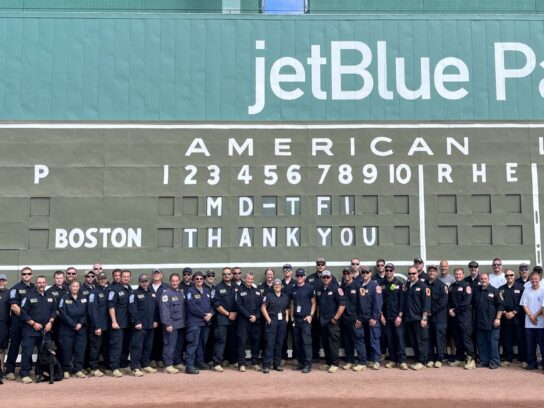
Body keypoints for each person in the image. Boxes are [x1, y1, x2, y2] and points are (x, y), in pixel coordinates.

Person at [19, 275, 56, 384]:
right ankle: (25, 374)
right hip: (30, 331)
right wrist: (33, 323)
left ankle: (41, 373)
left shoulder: (50, 296)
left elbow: (54, 311)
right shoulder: (29, 296)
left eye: (43, 282)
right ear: (36, 284)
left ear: (46, 283)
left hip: (45, 331)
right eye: (39, 282)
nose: (41, 284)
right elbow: (23, 313)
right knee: (27, 352)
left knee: (43, 354)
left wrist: (50, 322)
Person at [5, 267, 35, 380]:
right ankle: (10, 370)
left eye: (29, 273)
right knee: (14, 346)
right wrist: (27, 318)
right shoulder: (15, 289)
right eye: (24, 274)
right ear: (21, 275)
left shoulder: (34, 288)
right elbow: (14, 307)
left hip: (29, 324)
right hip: (18, 323)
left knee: (28, 346)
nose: (26, 275)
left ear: (32, 275)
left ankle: (28, 368)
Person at [307, 257, 337, 362]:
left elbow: (338, 300)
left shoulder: (332, 278)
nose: (320, 266)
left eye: (322, 264)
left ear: (325, 265)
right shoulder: (310, 278)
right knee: (315, 335)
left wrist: (336, 316)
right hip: (314, 313)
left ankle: (333, 362)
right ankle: (315, 356)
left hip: (329, 315)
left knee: (330, 338)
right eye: (318, 264)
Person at [128, 274, 159, 376]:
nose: (144, 283)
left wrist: (155, 320)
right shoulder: (135, 294)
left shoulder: (152, 293)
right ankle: (135, 367)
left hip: (150, 325)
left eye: (146, 281)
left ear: (148, 281)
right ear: (139, 282)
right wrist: (136, 322)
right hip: (139, 326)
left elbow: (155, 309)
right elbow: (132, 310)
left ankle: (145, 364)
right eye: (142, 281)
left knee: (148, 346)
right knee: (137, 347)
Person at [316, 270, 345, 373]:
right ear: (321, 278)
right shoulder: (319, 290)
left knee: (333, 343)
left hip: (332, 321)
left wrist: (335, 318)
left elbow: (342, 305)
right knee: (325, 343)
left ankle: (335, 364)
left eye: (327, 277)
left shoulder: (336, 289)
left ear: (331, 278)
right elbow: (318, 305)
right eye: (324, 277)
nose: (325, 279)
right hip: (323, 321)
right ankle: (328, 362)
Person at [58, 280, 88, 378]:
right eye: (73, 286)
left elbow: (86, 312)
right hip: (67, 329)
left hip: (81, 329)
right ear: (70, 287)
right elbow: (62, 314)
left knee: (80, 349)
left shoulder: (83, 297)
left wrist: (80, 323)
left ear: (79, 287)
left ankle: (78, 369)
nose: (75, 288)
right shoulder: (64, 298)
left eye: (77, 286)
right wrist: (74, 324)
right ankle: (66, 369)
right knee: (67, 350)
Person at [185, 271, 214, 374]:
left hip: (205, 323)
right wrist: (204, 315)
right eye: (197, 279)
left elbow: (211, 304)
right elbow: (192, 307)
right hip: (195, 323)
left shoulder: (206, 290)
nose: (199, 280)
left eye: (201, 279)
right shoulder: (190, 291)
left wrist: (211, 313)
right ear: (193, 280)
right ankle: (189, 366)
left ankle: (200, 363)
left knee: (202, 344)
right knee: (193, 344)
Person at [403, 266, 430, 370]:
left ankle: (422, 362)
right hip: (409, 319)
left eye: (413, 273)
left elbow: (426, 304)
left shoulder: (423, 286)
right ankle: (418, 360)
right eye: (409, 274)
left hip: (419, 319)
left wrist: (424, 319)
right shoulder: (408, 285)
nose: (411, 275)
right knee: (414, 341)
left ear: (418, 273)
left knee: (421, 341)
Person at [473, 272, 503, 369]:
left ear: (489, 279)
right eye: (482, 279)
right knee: (481, 343)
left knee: (493, 344)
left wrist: (498, 318)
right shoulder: (476, 291)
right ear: (479, 280)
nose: (483, 280)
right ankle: (484, 361)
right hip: (479, 323)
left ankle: (494, 361)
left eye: (485, 279)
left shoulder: (495, 291)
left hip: (492, 323)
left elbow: (500, 306)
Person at [448, 268, 476, 369]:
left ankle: (471, 360)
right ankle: (460, 358)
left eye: (460, 274)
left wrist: (454, 310)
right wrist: (449, 310)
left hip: (464, 317)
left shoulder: (466, 286)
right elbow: (448, 301)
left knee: (466, 338)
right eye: (456, 274)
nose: (458, 276)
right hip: (454, 318)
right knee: (457, 338)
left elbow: (466, 302)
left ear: (463, 275)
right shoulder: (452, 286)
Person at [211, 267, 238, 372]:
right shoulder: (217, 288)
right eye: (224, 274)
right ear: (222, 275)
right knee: (220, 341)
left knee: (233, 341)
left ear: (232, 275)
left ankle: (232, 360)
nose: (227, 275)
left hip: (234, 319)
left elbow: (239, 302)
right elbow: (216, 305)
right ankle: (216, 363)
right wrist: (228, 314)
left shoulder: (236, 287)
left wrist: (235, 313)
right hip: (222, 320)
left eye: (228, 274)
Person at [382, 263, 407, 370]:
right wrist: (381, 315)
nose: (388, 272)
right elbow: (380, 302)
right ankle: (393, 360)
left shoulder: (399, 284)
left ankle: (401, 361)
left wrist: (400, 316)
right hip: (387, 318)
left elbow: (403, 302)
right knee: (390, 339)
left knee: (400, 338)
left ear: (393, 271)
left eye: (390, 270)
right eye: (386, 270)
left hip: (398, 318)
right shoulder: (381, 285)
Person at [159, 273, 186, 374]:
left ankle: (177, 362)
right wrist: (168, 324)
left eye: (176, 281)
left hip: (180, 324)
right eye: (173, 281)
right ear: (170, 282)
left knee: (178, 345)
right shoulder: (166, 294)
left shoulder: (180, 293)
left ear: (179, 281)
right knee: (169, 345)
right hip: (171, 325)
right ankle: (168, 365)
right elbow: (165, 310)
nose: (175, 283)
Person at [340, 267, 366, 371]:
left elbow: (363, 305)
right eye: (344, 273)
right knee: (347, 342)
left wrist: (360, 319)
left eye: (348, 273)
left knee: (358, 341)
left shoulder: (359, 287)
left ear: (352, 274)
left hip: (355, 320)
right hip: (345, 319)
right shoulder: (342, 287)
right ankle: (350, 361)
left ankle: (362, 362)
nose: (346, 275)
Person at [235, 272, 262, 372]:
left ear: (253, 280)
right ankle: (241, 363)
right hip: (244, 321)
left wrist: (256, 316)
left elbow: (261, 306)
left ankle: (255, 363)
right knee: (241, 342)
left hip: (256, 321)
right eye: (248, 279)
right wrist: (248, 316)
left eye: (251, 279)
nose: (249, 280)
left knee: (256, 342)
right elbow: (238, 306)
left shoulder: (257, 291)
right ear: (244, 279)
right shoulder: (239, 290)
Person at [290, 268, 316, 373]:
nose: (299, 277)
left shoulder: (309, 288)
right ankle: (301, 363)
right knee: (297, 342)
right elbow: (292, 303)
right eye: (298, 276)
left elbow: (314, 303)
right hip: (296, 318)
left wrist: (311, 315)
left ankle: (307, 364)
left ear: (305, 276)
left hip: (305, 318)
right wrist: (292, 316)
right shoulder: (293, 288)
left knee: (306, 342)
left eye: (301, 276)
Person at [261, 278, 289, 373]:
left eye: (279, 285)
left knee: (279, 343)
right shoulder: (268, 295)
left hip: (281, 322)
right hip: (272, 321)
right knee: (270, 343)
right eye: (275, 285)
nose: (277, 286)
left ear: (281, 286)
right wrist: (268, 319)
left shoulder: (285, 296)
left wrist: (287, 318)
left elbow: (287, 308)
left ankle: (277, 364)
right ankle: (266, 365)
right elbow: (263, 308)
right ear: (273, 286)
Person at [108, 269, 133, 377]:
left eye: (128, 276)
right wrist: (114, 321)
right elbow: (111, 306)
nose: (126, 278)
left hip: (128, 324)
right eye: (124, 276)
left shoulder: (129, 289)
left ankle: (123, 365)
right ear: (120, 277)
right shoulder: (114, 290)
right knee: (116, 346)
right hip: (118, 323)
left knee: (125, 346)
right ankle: (114, 367)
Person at [499, 269, 525, 367]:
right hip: (506, 319)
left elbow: (523, 303)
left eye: (511, 275)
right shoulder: (501, 289)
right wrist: (505, 312)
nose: (509, 277)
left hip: (518, 318)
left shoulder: (521, 288)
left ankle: (523, 359)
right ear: (505, 277)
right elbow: (500, 303)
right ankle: (508, 359)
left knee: (521, 339)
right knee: (507, 340)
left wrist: (514, 312)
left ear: (514, 276)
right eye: (507, 275)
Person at [358, 266, 382, 370]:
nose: (364, 274)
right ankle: (370, 360)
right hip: (363, 318)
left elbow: (378, 303)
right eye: (363, 272)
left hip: (372, 318)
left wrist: (375, 318)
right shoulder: (359, 286)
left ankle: (376, 360)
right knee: (367, 340)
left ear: (370, 273)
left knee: (374, 340)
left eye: (367, 272)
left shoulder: (375, 285)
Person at [519, 271, 544, 370]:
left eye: (536, 279)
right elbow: (524, 304)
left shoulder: (543, 290)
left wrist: (535, 316)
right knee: (530, 345)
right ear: (530, 280)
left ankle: (543, 363)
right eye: (532, 279)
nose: (534, 281)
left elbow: (543, 306)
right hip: (529, 324)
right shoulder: (527, 290)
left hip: (541, 324)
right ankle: (532, 363)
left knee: (542, 346)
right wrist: (530, 316)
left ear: (539, 279)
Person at [88, 271, 110, 377]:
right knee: (95, 348)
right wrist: (97, 326)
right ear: (97, 280)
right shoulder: (94, 292)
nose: (102, 280)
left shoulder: (108, 290)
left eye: (104, 279)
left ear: (106, 279)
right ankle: (93, 368)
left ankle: (107, 367)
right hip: (97, 326)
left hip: (106, 326)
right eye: (100, 279)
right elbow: (93, 311)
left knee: (106, 348)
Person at [426, 265, 448, 368]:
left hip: (439, 318)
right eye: (430, 271)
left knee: (439, 340)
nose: (431, 273)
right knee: (429, 339)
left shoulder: (442, 285)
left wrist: (431, 311)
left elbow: (443, 302)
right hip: (427, 318)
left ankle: (439, 359)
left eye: (433, 271)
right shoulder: (424, 285)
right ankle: (431, 358)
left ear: (436, 273)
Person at [150, 268, 168, 368]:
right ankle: (152, 359)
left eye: (158, 273)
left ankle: (160, 359)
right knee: (152, 340)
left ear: (161, 275)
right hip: (152, 319)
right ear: (152, 275)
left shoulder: (166, 287)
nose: (156, 275)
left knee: (161, 339)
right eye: (154, 273)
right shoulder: (148, 287)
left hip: (163, 318)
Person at [281, 264, 296, 362]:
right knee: (283, 337)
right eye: (285, 270)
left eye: (288, 270)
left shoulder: (296, 282)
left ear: (292, 272)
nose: (287, 271)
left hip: (294, 314)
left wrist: (292, 310)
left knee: (295, 336)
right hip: (282, 314)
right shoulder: (279, 283)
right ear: (283, 272)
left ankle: (295, 357)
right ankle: (283, 357)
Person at [0, 274, 9, 377]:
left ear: (6, 282)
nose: (1, 282)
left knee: (1, 349)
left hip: (4, 325)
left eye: (3, 280)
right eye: (0, 280)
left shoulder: (9, 293)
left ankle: (1, 368)